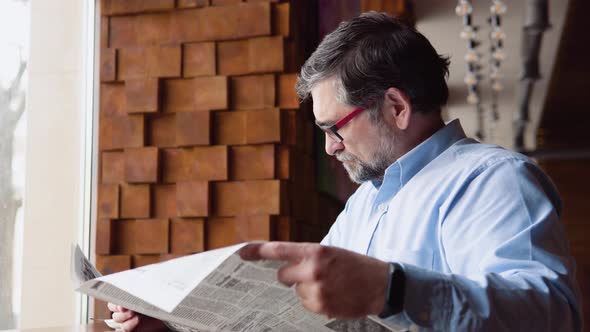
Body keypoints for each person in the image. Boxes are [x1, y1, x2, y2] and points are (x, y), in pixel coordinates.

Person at [110, 12, 582, 331]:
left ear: (396, 106)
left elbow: (549, 315)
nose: (331, 147)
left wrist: (392, 289)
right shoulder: (365, 203)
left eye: (334, 126)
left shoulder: (495, 179)